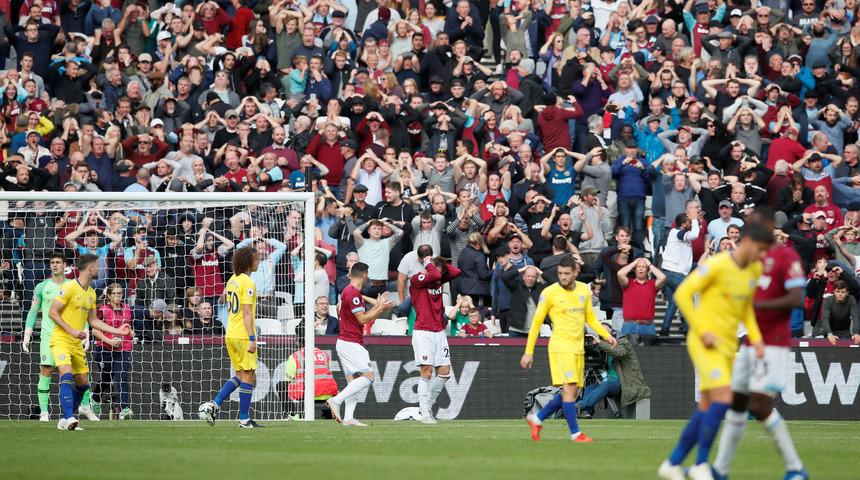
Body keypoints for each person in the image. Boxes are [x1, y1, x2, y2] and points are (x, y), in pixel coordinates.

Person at [658, 215, 774, 480]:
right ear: (745, 242)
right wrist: (702, 328)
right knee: (724, 399)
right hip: (702, 340)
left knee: (707, 406)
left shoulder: (753, 271)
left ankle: (672, 464)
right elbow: (682, 294)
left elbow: (745, 309)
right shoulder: (717, 265)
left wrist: (756, 340)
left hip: (726, 344)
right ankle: (700, 465)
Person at [711, 211, 808, 480]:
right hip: (749, 342)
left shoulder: (786, 257)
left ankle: (796, 468)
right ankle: (720, 469)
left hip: (774, 342)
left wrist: (757, 306)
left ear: (769, 226)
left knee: (759, 403)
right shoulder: (748, 259)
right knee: (737, 401)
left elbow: (796, 297)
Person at [520, 255, 617, 443]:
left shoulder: (583, 291)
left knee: (570, 393)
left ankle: (537, 419)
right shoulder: (549, 293)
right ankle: (575, 433)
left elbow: (590, 318)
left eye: (566, 273)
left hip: (578, 348)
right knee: (569, 389)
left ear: (575, 272)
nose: (563, 277)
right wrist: (528, 351)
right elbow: (536, 323)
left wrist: (606, 335)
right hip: (560, 347)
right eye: (560, 273)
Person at [48, 254, 132, 431]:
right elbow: (53, 312)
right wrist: (71, 330)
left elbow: (93, 321)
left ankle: (64, 420)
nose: (99, 268)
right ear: (90, 268)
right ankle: (70, 418)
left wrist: (118, 331)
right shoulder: (69, 287)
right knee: (66, 375)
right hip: (61, 339)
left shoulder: (92, 292)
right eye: (97, 266)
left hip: (76, 343)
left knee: (83, 383)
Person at [22, 253, 98, 422]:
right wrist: (27, 332)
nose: (54, 265)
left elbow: (81, 310)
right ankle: (44, 413)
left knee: (79, 375)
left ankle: (84, 406)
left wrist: (86, 332)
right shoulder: (42, 287)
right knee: (46, 371)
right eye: (52, 262)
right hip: (49, 336)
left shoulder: (73, 285)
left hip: (71, 336)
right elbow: (33, 311)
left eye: (58, 262)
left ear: (65, 265)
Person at [198, 246, 264, 428]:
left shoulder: (232, 280)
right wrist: (252, 338)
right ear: (248, 262)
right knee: (249, 376)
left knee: (241, 375)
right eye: (256, 259)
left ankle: (214, 404)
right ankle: (244, 419)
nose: (258, 262)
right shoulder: (248, 283)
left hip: (230, 333)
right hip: (243, 335)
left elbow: (225, 302)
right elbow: (247, 313)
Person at [326, 262, 397, 426]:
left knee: (354, 381)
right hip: (351, 342)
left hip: (345, 342)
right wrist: (381, 308)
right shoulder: (353, 293)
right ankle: (336, 401)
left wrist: (379, 306)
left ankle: (349, 418)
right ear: (364, 275)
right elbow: (363, 319)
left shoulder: (348, 292)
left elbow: (358, 316)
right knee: (369, 376)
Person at [410, 256, 461, 424]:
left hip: (439, 332)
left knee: (445, 372)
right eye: (436, 270)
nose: (440, 274)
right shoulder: (417, 279)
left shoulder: (437, 279)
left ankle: (427, 406)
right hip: (423, 332)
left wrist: (440, 262)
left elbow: (456, 272)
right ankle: (424, 412)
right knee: (427, 371)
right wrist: (428, 264)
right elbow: (434, 275)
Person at [578, 324, 651, 418]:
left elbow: (619, 353)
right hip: (610, 381)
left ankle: (580, 405)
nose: (603, 335)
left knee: (607, 384)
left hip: (626, 382)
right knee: (591, 387)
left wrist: (599, 342)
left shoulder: (623, 342)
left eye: (605, 332)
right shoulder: (603, 345)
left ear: (612, 332)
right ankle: (585, 412)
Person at [93, 283, 134, 420]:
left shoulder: (127, 308)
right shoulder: (102, 310)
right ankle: (95, 398)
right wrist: (109, 341)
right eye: (115, 294)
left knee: (122, 376)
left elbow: (127, 327)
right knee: (106, 377)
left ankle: (124, 408)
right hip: (104, 348)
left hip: (123, 348)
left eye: (120, 293)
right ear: (109, 295)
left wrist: (132, 333)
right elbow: (95, 330)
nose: (117, 296)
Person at [285, 323, 339, 415]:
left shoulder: (295, 356)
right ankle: (327, 414)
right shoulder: (324, 354)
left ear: (298, 340)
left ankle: (292, 414)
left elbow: (288, 380)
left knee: (281, 385)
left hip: (305, 395)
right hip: (328, 393)